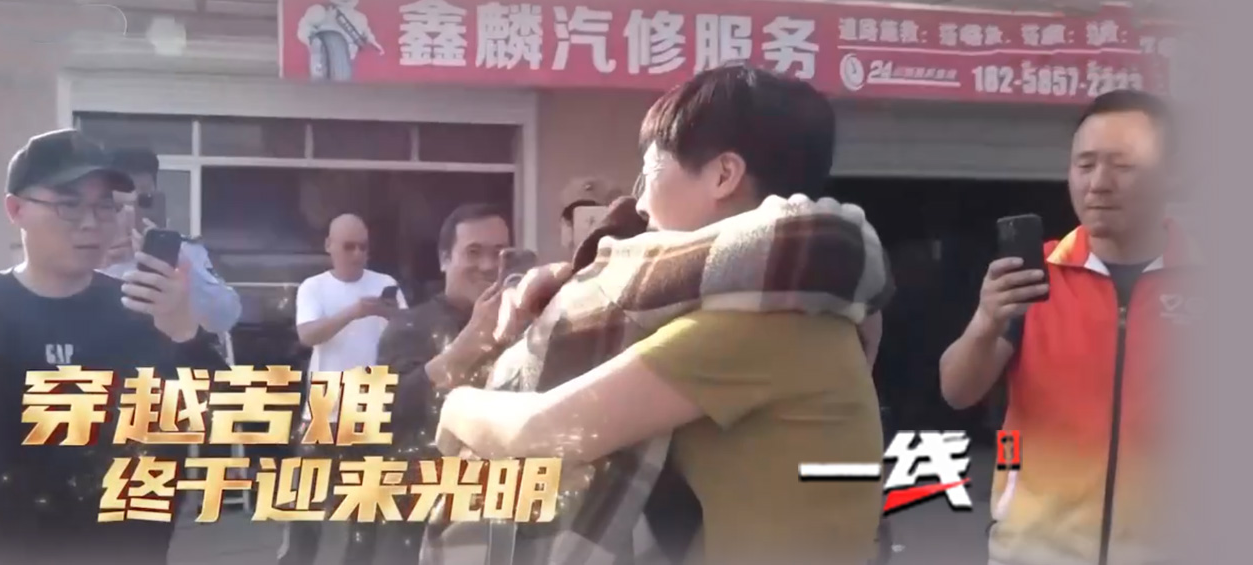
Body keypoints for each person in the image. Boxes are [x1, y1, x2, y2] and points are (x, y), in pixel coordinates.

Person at [421, 64, 895, 565]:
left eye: (649, 173)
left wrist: (455, 407)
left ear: (724, 175)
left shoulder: (762, 326)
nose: (641, 203)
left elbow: (543, 433)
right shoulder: (817, 298)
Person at [0, 129, 221, 565]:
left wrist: (186, 333)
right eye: (68, 205)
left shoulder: (146, 316)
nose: (91, 223)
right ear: (15, 210)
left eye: (105, 206)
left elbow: (231, 428)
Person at [937, 90, 1193, 565]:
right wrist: (985, 323)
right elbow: (957, 391)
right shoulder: (1034, 276)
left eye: (1123, 165)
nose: (1098, 183)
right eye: (1085, 164)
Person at [365, 203, 511, 563]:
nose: (488, 265)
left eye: (499, 253)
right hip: (421, 517)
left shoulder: (522, 324)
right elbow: (388, 410)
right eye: (473, 252)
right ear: (445, 259)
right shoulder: (409, 326)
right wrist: (466, 347)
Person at [280, 213, 408, 565]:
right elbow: (308, 334)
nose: (357, 254)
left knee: (364, 516)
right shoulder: (314, 287)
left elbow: (408, 332)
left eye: (363, 247)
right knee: (305, 512)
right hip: (324, 410)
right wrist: (354, 312)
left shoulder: (384, 282)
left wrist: (391, 315)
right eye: (349, 247)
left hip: (371, 407)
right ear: (329, 246)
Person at [103, 147, 243, 336]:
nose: (132, 212)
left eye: (144, 200)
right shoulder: (80, 246)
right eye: (118, 205)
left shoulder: (182, 251)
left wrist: (176, 264)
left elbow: (225, 317)